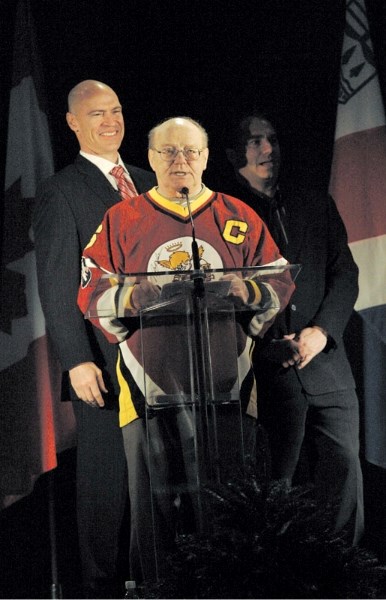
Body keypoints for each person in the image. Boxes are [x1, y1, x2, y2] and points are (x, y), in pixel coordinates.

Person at [77, 116, 296, 584]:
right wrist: (135, 297)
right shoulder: (122, 219)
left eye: (191, 151)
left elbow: (279, 276)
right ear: (151, 159)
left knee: (227, 507)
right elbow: (90, 289)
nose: (181, 161)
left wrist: (247, 292)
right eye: (169, 152)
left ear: (207, 157)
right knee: (152, 513)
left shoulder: (237, 214)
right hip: (146, 389)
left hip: (227, 386)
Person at [32, 80, 156, 598]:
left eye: (117, 109)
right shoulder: (62, 191)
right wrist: (78, 362)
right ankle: (101, 591)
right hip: (102, 370)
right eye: (97, 113)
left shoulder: (154, 182)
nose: (111, 121)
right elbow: (58, 287)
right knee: (107, 492)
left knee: (158, 488)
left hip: (166, 365)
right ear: (73, 123)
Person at [222, 112, 364, 544]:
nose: (268, 149)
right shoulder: (224, 214)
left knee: (344, 471)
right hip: (268, 371)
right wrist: (262, 344)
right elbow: (221, 295)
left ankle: (346, 574)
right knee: (273, 488)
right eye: (254, 142)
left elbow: (346, 274)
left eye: (272, 138)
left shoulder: (312, 201)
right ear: (233, 155)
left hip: (326, 365)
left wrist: (321, 331)